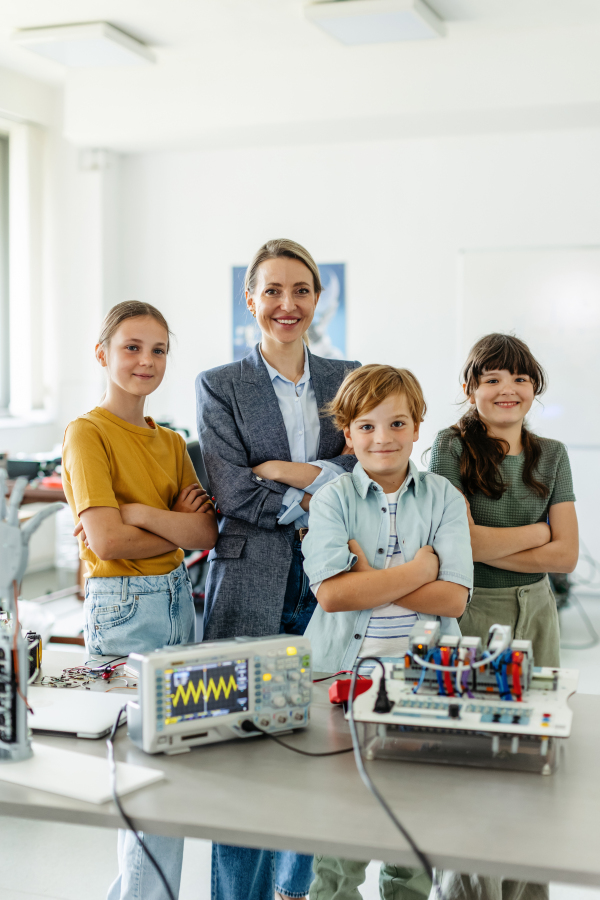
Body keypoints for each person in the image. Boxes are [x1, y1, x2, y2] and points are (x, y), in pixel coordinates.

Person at [196, 239, 360, 900]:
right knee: (244, 758)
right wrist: (320, 496)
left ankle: (299, 891)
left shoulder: (350, 376)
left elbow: (367, 464)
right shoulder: (220, 384)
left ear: (317, 299)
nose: (286, 305)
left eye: (300, 291)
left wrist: (289, 478)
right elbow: (232, 490)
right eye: (272, 291)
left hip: (331, 586)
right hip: (249, 582)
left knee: (317, 753)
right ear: (251, 300)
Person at [62, 300, 218, 900]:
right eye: (131, 347)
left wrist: (143, 513)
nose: (145, 361)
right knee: (146, 787)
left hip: (181, 606)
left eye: (158, 350)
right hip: (124, 609)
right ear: (102, 354)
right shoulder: (87, 433)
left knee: (163, 785)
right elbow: (105, 539)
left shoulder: (173, 442)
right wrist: (171, 525)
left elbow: (205, 535)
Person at [302, 363, 472, 900]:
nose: (384, 438)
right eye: (368, 426)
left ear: (417, 427)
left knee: (412, 833)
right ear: (348, 435)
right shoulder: (332, 500)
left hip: (422, 685)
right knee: (340, 837)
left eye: (398, 424)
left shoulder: (442, 495)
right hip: (343, 679)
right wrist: (420, 571)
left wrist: (370, 579)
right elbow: (332, 594)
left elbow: (455, 597)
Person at [428, 332, 578, 900]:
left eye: (518, 378)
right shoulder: (449, 448)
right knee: (475, 758)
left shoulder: (553, 454)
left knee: (534, 755)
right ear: (470, 389)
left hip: (537, 609)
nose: (506, 389)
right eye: (491, 379)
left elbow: (565, 557)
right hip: (473, 610)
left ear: (534, 388)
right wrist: (539, 530)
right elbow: (456, 545)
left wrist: (495, 541)